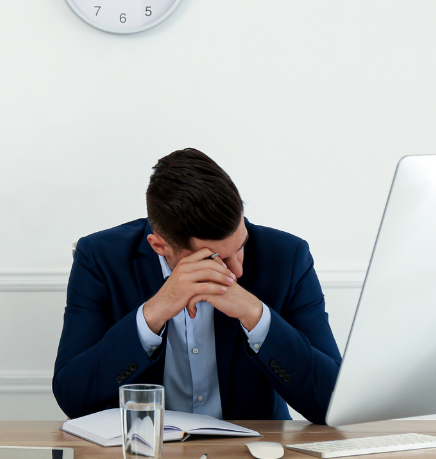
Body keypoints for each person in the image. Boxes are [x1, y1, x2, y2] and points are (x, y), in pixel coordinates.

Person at [52, 148, 342, 424]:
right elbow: (73, 397)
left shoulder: (288, 257)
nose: (237, 271)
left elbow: (332, 402)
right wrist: (153, 314)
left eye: (241, 246)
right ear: (159, 246)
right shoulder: (101, 258)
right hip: (144, 446)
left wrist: (256, 316)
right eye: (216, 259)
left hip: (252, 450)